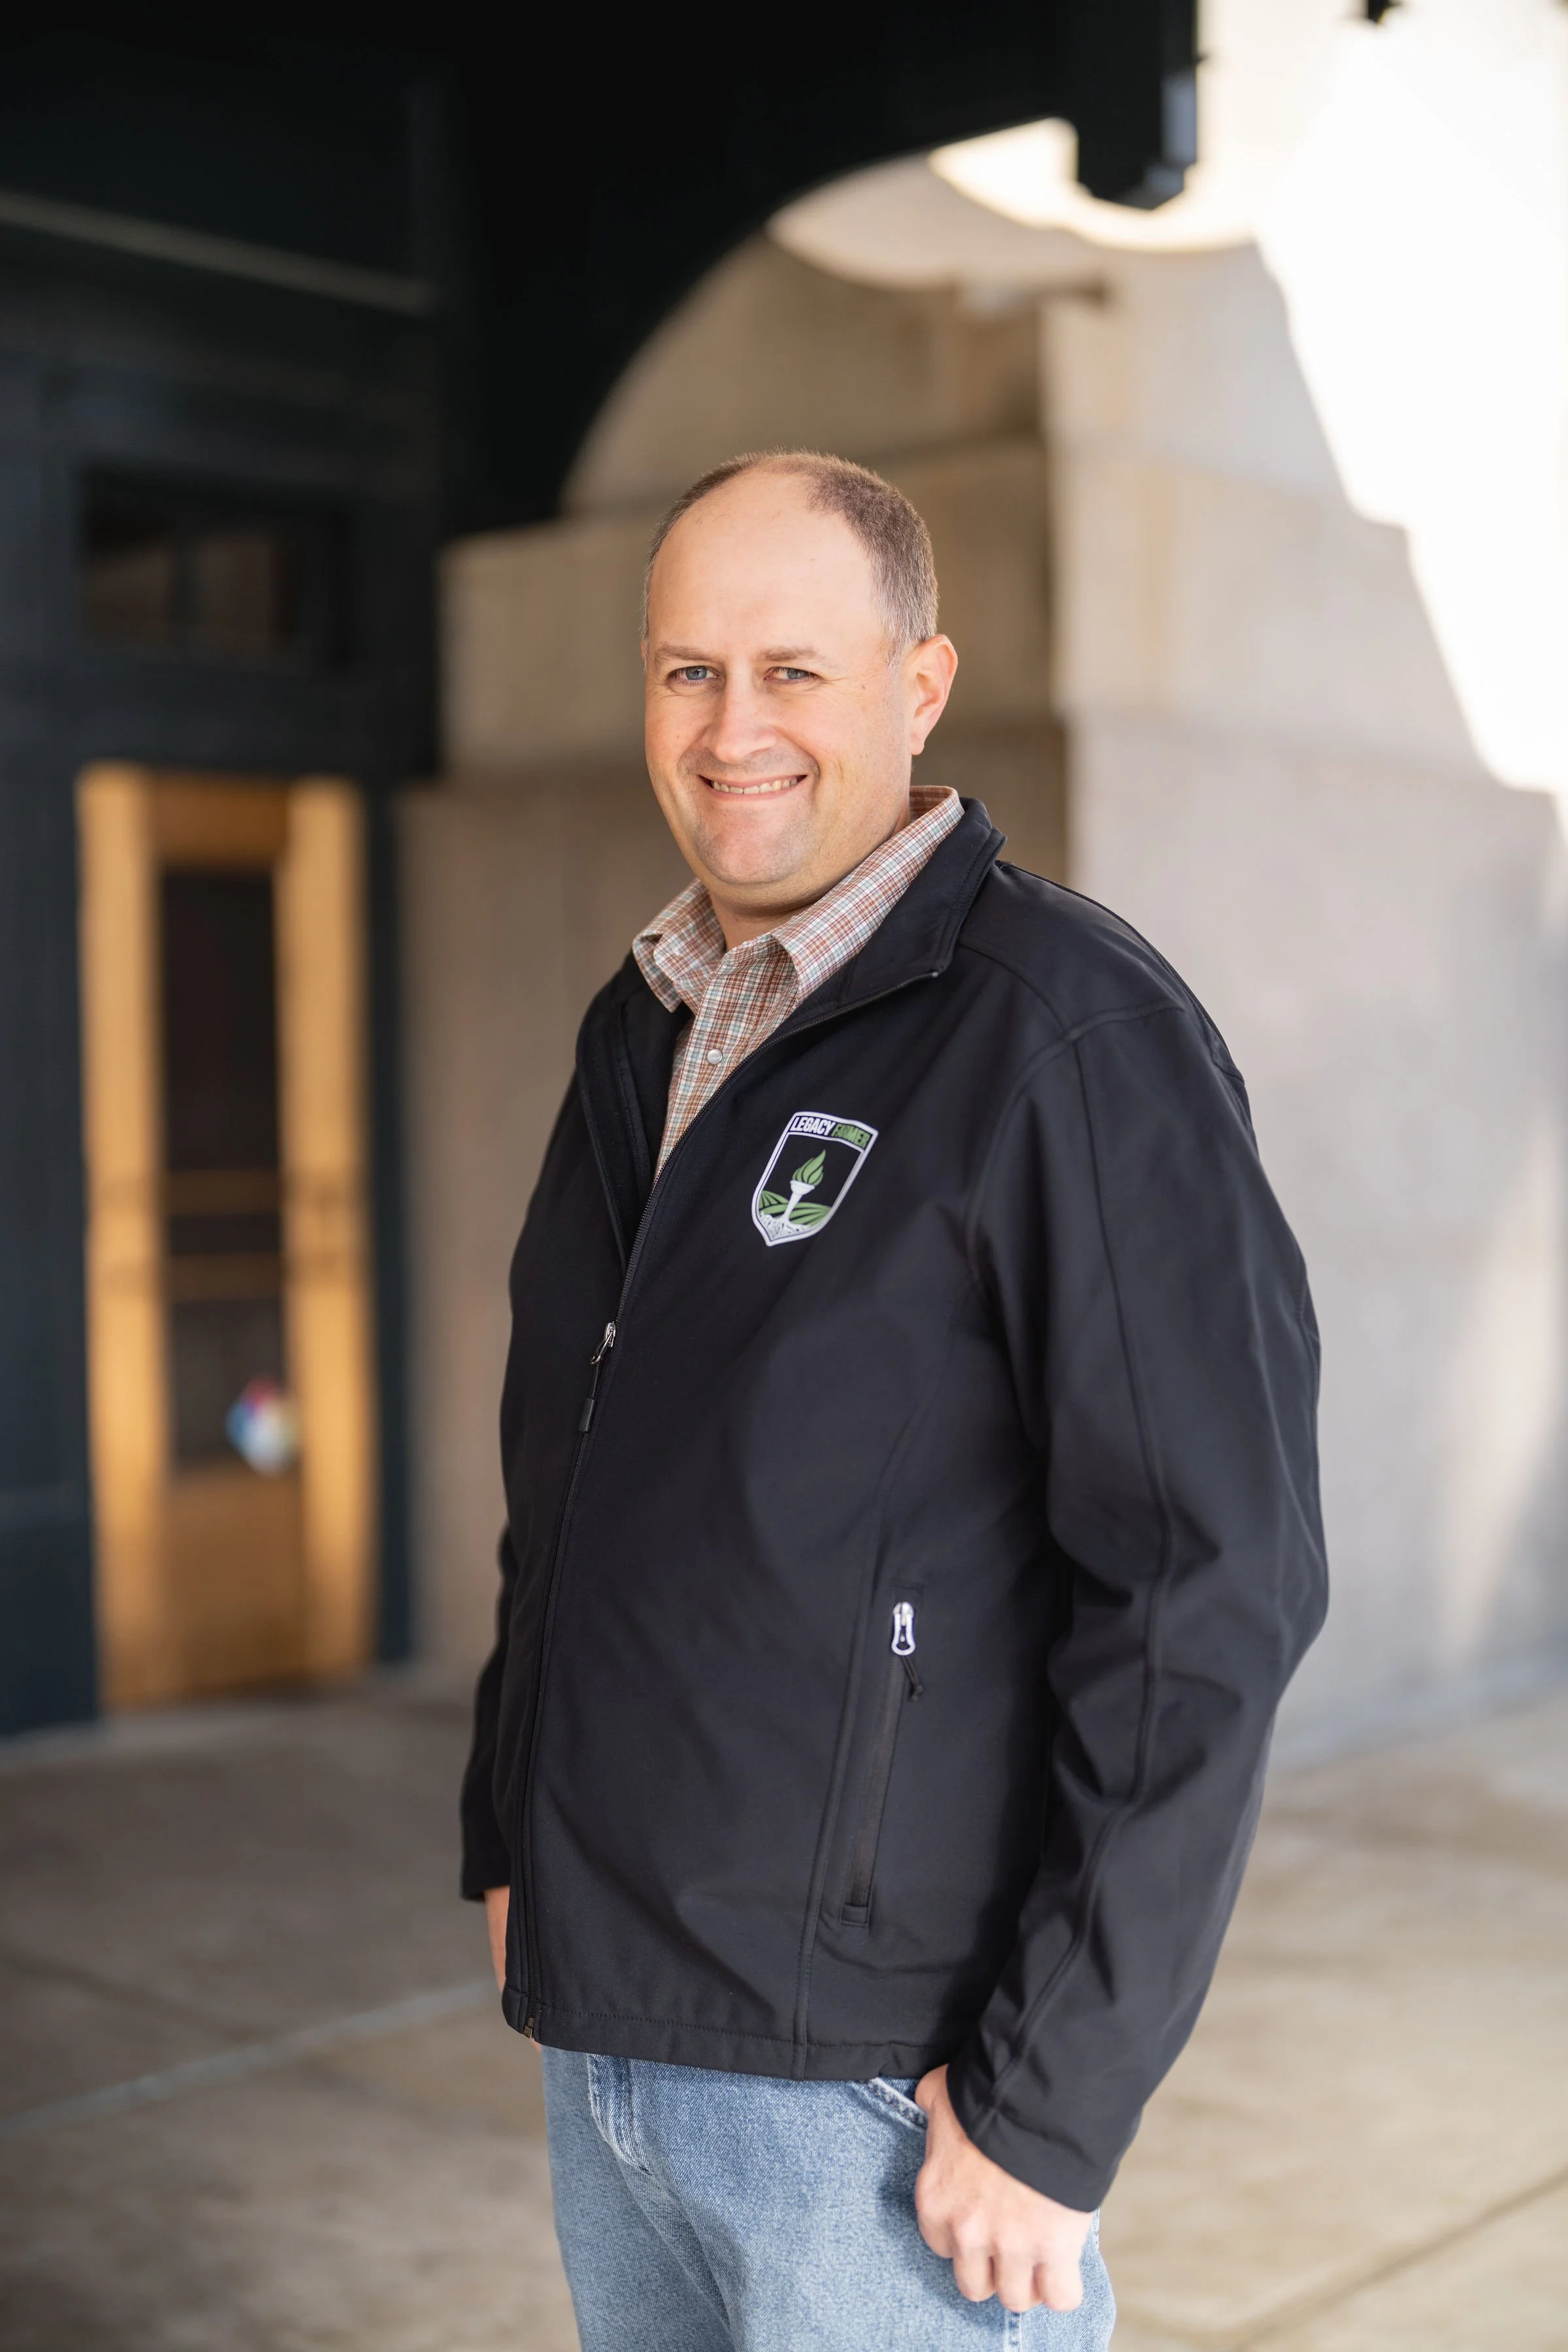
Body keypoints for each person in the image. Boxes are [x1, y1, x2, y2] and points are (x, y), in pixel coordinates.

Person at [461, 449, 1328, 2350]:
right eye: (689, 672)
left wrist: (1052, 2101)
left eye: (795, 671)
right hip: (614, 2040)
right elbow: (575, 1472)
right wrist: (511, 1830)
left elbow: (1208, 1587)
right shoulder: (647, 1023)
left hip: (880, 2084)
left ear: (919, 688)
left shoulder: (1067, 1033)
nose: (733, 729)